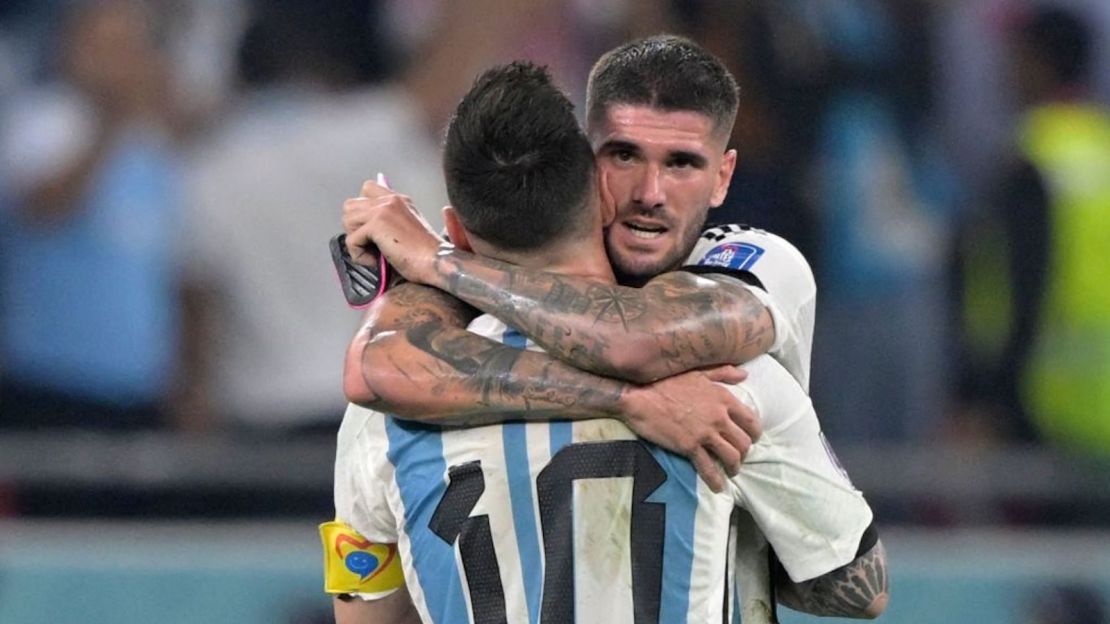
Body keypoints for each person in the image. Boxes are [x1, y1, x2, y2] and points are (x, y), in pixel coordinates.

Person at [331, 60, 887, 623]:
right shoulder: (730, 386)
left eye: (681, 163)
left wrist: (432, 263)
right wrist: (633, 404)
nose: (648, 192)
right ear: (601, 190)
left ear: (455, 229)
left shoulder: (385, 412)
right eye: (625, 156)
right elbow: (861, 589)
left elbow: (362, 610)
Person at [955, 5, 1110, 453]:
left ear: (1040, 64)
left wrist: (987, 396)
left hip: (1050, 400)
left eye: (1015, 59)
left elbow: (1024, 282)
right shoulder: (1100, 144)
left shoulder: (1033, 159)